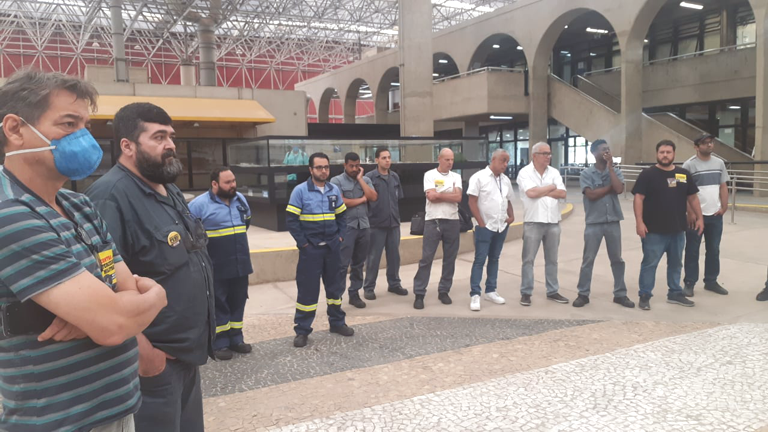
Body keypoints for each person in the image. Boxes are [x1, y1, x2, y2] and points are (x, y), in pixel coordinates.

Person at [0, 70, 167, 432]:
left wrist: (100, 313)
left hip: (119, 408)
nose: (84, 137)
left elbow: (121, 292)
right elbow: (114, 323)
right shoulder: (9, 214)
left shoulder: (79, 205)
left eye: (85, 125)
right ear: (14, 129)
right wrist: (155, 296)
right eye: (69, 124)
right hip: (61, 421)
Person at [86, 103, 215, 432]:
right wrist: (144, 354)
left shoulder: (169, 188)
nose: (170, 145)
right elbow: (102, 287)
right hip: (153, 364)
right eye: (158, 137)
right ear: (127, 145)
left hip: (186, 355)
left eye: (171, 136)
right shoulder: (110, 197)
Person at [285, 152, 354, 348]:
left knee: (335, 289)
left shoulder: (333, 190)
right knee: (307, 292)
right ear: (311, 169)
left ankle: (337, 323)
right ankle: (302, 330)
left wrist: (340, 237)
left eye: (326, 167)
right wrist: (304, 244)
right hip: (311, 251)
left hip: (332, 249)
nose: (323, 171)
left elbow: (342, 216)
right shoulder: (300, 191)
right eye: (319, 167)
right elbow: (291, 220)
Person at [188, 167, 254, 360]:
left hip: (240, 262)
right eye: (228, 182)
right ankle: (219, 343)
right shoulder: (198, 205)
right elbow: (190, 234)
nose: (233, 185)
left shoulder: (240, 200)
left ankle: (236, 339)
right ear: (214, 184)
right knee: (218, 303)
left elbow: (246, 222)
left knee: (238, 301)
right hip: (215, 264)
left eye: (233, 181)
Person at [633, 140, 704, 311]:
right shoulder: (647, 174)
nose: (665, 155)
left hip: (677, 230)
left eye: (668, 152)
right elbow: (638, 198)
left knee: (676, 264)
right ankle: (645, 295)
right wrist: (639, 222)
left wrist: (700, 218)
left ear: (674, 154)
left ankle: (675, 293)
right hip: (653, 231)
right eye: (662, 152)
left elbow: (693, 197)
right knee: (649, 264)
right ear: (657, 154)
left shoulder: (683, 174)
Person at [574, 140, 635, 309]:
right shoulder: (586, 174)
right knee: (588, 259)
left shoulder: (615, 171)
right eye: (603, 150)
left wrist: (610, 168)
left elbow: (619, 189)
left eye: (608, 149)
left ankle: (620, 294)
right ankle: (583, 294)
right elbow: (591, 195)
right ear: (593, 153)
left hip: (613, 221)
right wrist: (609, 188)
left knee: (617, 259)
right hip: (594, 222)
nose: (607, 152)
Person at [516, 142, 570, 306]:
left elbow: (562, 193)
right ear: (534, 155)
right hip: (533, 222)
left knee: (552, 259)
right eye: (545, 153)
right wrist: (551, 187)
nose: (548, 156)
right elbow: (531, 193)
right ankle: (526, 292)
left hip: (553, 222)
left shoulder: (554, 172)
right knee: (528, 260)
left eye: (549, 153)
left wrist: (542, 190)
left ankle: (552, 291)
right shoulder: (525, 173)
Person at [412, 148, 463, 309]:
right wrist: (448, 194)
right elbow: (431, 197)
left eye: (452, 159)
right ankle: (419, 293)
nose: (450, 162)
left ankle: (444, 290)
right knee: (426, 258)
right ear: (439, 159)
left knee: (450, 258)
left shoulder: (456, 177)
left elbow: (458, 197)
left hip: (452, 221)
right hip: (433, 221)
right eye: (447, 159)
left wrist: (439, 194)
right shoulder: (430, 175)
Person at [467, 149, 515, 311]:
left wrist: (511, 216)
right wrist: (481, 223)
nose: (505, 165)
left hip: (501, 226)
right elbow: (472, 201)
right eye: (503, 161)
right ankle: (475, 294)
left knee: (494, 258)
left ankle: (491, 290)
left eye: (507, 161)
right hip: (485, 226)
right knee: (480, 260)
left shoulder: (505, 180)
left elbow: (508, 200)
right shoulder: (479, 177)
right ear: (493, 159)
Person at [682, 133, 730, 297]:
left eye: (711, 142)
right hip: (696, 216)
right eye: (705, 143)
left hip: (715, 215)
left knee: (713, 250)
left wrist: (724, 206)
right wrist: (690, 212)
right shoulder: (688, 165)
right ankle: (689, 282)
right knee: (692, 250)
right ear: (696, 147)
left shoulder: (719, 163)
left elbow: (723, 186)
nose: (709, 145)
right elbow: (683, 191)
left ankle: (711, 281)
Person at [330, 152, 378, 309]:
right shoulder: (336, 181)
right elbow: (340, 202)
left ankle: (354, 294)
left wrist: (360, 179)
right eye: (351, 166)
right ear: (345, 165)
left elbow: (373, 197)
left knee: (358, 264)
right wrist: (362, 199)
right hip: (346, 228)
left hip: (363, 226)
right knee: (342, 265)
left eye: (357, 165)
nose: (354, 169)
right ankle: (336, 298)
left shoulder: (365, 180)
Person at [363, 148, 409, 298]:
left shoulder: (394, 177)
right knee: (373, 257)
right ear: (377, 160)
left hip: (393, 223)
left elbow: (397, 198)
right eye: (384, 158)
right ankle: (369, 287)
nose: (387, 160)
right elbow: (366, 200)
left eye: (389, 157)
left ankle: (394, 284)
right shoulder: (369, 178)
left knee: (394, 257)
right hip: (376, 224)